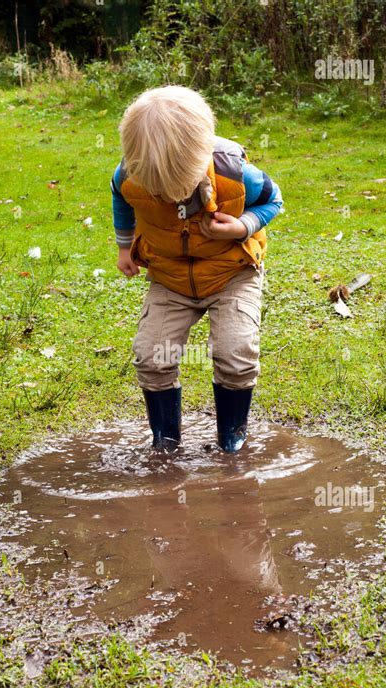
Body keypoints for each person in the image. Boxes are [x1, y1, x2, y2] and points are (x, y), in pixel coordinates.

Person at [111, 86, 283, 452]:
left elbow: (273, 199)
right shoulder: (130, 172)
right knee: (151, 355)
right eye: (159, 190)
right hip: (170, 276)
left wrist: (242, 226)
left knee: (235, 353)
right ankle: (166, 441)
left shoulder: (235, 172)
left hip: (231, 272)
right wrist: (125, 246)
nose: (170, 199)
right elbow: (121, 199)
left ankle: (231, 438)